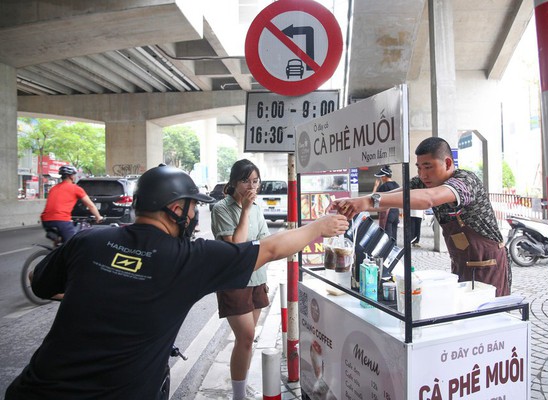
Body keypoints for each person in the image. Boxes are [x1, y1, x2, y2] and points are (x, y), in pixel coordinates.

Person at [5, 164, 348, 400]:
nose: (195, 214)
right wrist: (320, 226)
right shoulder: (188, 259)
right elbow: (271, 249)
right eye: (192, 207)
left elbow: (39, 281)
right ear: (176, 209)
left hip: (33, 390)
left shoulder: (89, 241)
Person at [330, 137, 510, 296]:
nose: (423, 174)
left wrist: (369, 202)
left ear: (447, 163)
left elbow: (429, 199)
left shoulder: (465, 181)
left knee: (488, 318)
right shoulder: (422, 181)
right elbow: (394, 198)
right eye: (419, 167)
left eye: (428, 167)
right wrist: (354, 202)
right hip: (461, 263)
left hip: (488, 263)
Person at [210, 159, 270, 400]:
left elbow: (264, 241)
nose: (250, 186)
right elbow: (237, 247)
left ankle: (241, 387)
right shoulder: (222, 208)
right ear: (233, 182)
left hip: (257, 277)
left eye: (255, 181)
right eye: (245, 180)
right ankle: (238, 395)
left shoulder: (257, 208)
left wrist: (250, 210)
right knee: (244, 337)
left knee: (249, 339)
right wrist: (245, 210)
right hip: (234, 281)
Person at [40, 165, 103, 242]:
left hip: (45, 220)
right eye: (74, 175)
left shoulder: (53, 188)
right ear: (71, 176)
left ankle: (57, 251)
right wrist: (98, 217)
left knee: (60, 242)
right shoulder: (76, 189)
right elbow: (90, 205)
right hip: (61, 220)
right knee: (72, 244)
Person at [372, 165, 399, 241]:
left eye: (381, 177)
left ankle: (388, 251)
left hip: (387, 213)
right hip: (396, 212)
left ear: (384, 177)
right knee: (394, 236)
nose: (380, 179)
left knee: (387, 236)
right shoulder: (396, 185)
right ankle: (394, 249)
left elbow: (374, 200)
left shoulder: (384, 186)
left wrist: (375, 186)